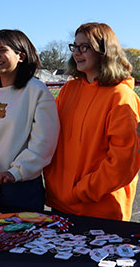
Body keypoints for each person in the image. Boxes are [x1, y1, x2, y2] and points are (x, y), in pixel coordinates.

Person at [44, 22, 140, 221]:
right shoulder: (68, 90)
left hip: (100, 211)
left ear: (104, 51)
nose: (77, 53)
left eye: (84, 47)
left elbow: (122, 163)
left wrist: (81, 191)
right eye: (75, 47)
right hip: (60, 204)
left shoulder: (121, 96)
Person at [0, 29, 60, 211]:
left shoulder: (36, 92)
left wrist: (15, 172)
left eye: (2, 50)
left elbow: (44, 142)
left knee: (25, 239)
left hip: (22, 188)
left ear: (20, 56)